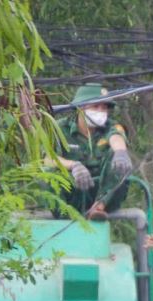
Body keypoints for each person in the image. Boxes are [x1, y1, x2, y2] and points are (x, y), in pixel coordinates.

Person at [53, 85, 135, 219]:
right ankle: (64, 218)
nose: (101, 111)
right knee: (46, 172)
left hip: (104, 193)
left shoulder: (111, 126)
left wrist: (121, 153)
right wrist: (73, 165)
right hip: (72, 192)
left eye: (104, 107)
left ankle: (98, 208)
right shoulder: (60, 128)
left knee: (119, 160)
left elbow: (116, 137)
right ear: (80, 107)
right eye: (95, 106)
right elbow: (48, 159)